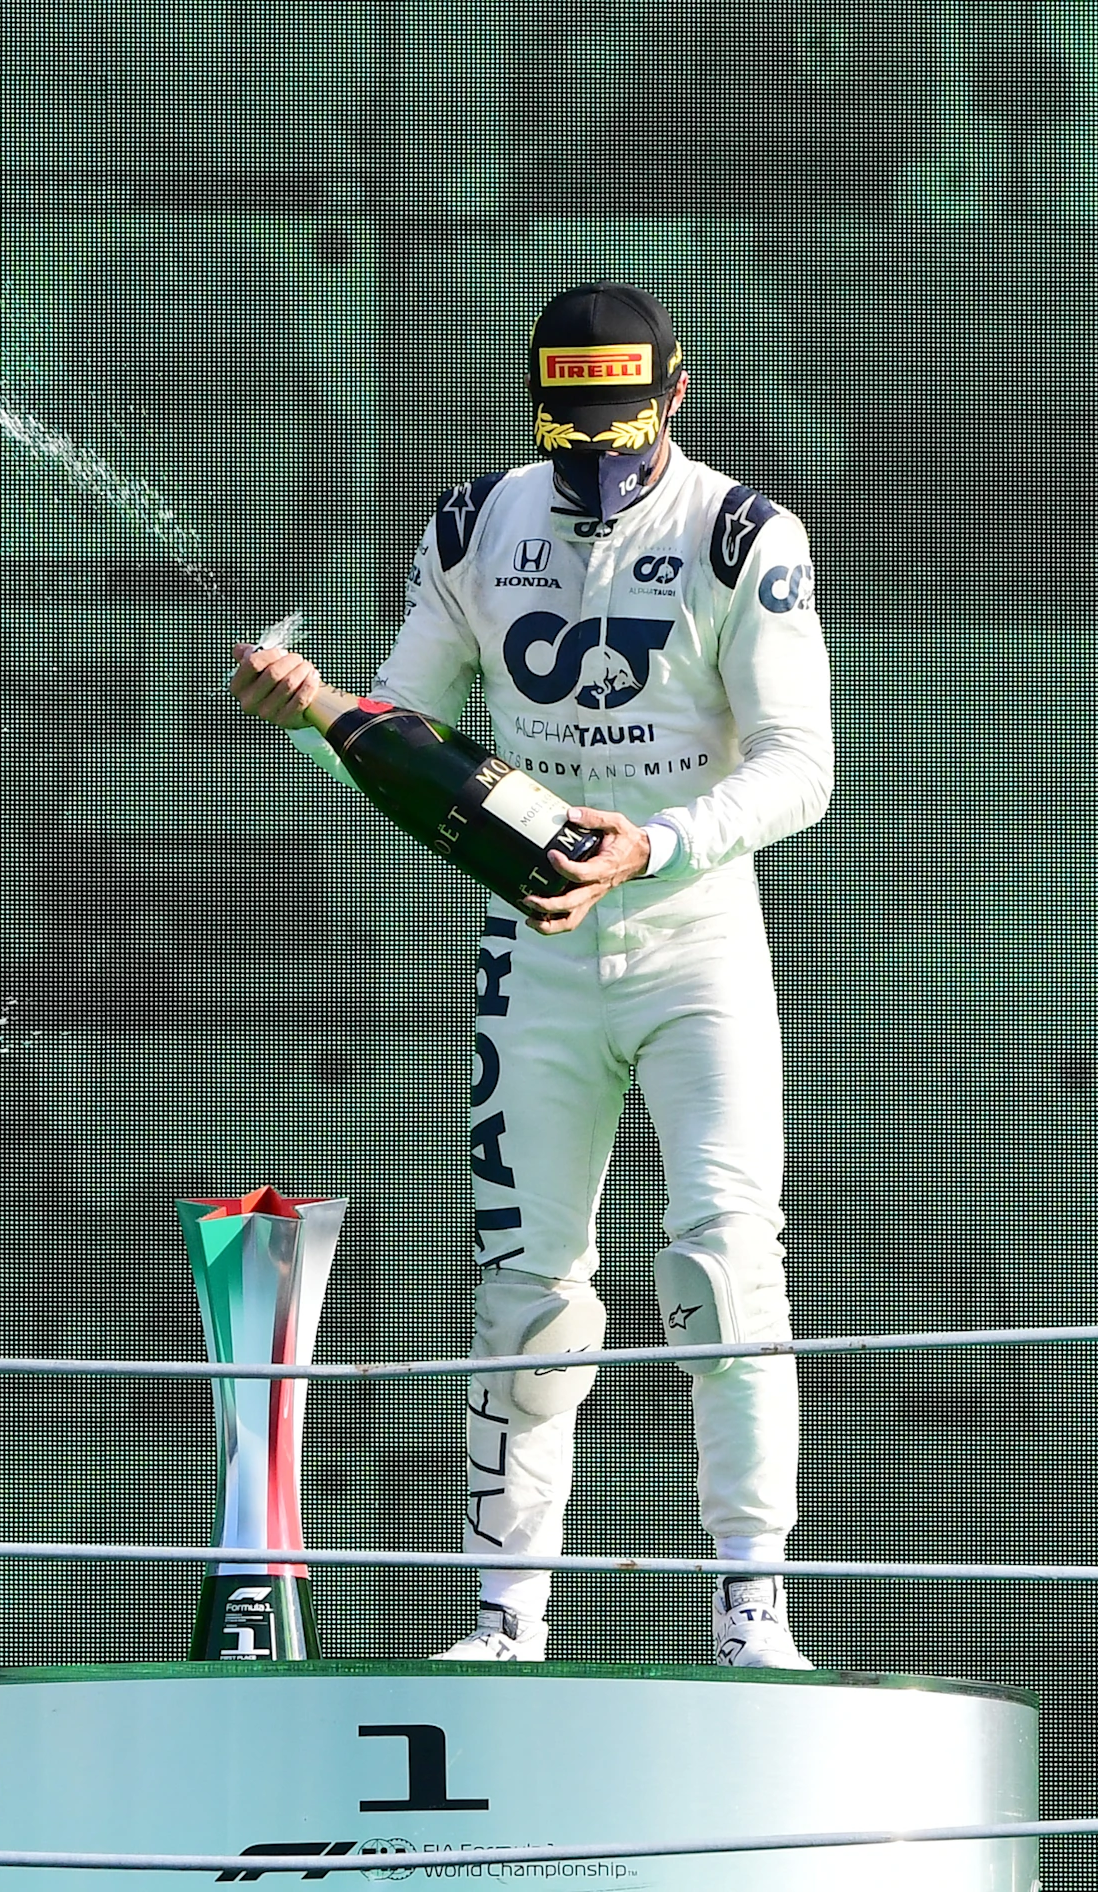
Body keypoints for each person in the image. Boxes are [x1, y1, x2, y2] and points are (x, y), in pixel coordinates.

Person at [229, 282, 834, 1666]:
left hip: (698, 942)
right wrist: (299, 709)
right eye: (570, 424)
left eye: (623, 422)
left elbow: (803, 765)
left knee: (726, 1263)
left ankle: (755, 1607)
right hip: (535, 953)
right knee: (529, 1287)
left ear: (675, 393)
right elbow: (389, 733)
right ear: (536, 401)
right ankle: (506, 1621)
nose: (598, 458)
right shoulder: (473, 522)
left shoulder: (744, 532)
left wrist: (656, 842)